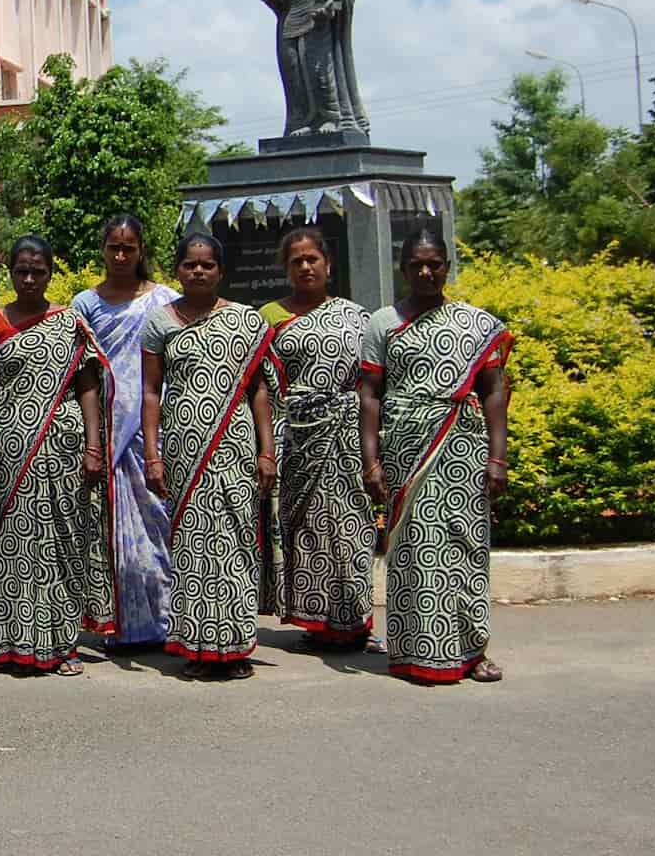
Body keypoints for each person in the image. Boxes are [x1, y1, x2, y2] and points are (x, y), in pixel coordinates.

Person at [361, 229, 514, 684]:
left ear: (448, 266)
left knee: (465, 548)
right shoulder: (383, 323)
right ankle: (415, 652)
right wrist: (371, 462)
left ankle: (472, 652)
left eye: (435, 264)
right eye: (416, 265)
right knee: (412, 550)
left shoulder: (476, 324)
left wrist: (498, 458)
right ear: (402, 269)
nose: (426, 272)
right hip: (405, 449)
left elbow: (494, 392)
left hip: (463, 450)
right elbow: (370, 394)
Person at [141, 233, 281, 680]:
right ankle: (200, 647)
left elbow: (259, 389)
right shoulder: (159, 322)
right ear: (176, 269)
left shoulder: (247, 320)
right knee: (193, 545)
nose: (198, 271)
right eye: (189, 264)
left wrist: (267, 450)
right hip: (184, 448)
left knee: (236, 542)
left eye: (206, 264)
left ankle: (235, 646)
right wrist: (152, 453)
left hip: (235, 446)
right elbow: (149, 392)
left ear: (221, 271)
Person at [0, 235, 109, 675]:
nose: (29, 279)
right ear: (10, 273)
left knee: (65, 541)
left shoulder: (70, 322)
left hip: (65, 444)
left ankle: (63, 646)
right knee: (16, 542)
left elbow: (87, 387)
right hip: (12, 446)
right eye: (22, 271)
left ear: (50, 273)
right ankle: (16, 643)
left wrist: (93, 445)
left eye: (38, 271)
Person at [261, 227, 375, 650]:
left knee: (352, 527)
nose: (306, 266)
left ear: (328, 263)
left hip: (348, 434)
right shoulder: (269, 317)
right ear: (286, 269)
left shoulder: (358, 316)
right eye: (296, 261)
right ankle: (318, 622)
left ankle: (355, 621)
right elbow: (261, 384)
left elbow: (370, 382)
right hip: (296, 437)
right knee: (308, 528)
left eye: (312, 259)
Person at [72, 214, 178, 648]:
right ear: (103, 250)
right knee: (109, 529)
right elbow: (81, 373)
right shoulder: (86, 305)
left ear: (140, 251)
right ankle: (124, 624)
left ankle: (167, 621)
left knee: (158, 527)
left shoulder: (165, 301)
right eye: (113, 247)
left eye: (128, 248)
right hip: (107, 427)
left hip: (152, 428)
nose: (120, 256)